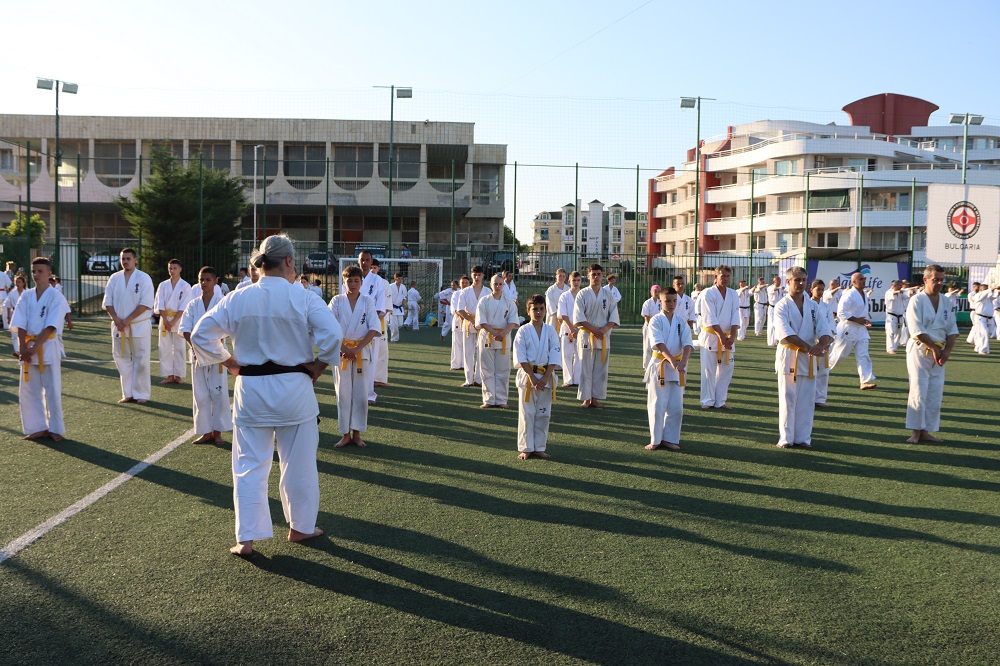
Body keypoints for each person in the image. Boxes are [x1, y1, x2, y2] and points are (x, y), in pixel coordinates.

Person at [190, 234, 342, 557]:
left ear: (261, 263)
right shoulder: (302, 297)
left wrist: (229, 362)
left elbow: (200, 334)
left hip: (252, 391)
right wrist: (318, 365)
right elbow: (333, 334)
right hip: (294, 391)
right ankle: (300, 527)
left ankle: (246, 538)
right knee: (299, 464)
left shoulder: (239, 298)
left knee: (249, 466)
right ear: (288, 261)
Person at [773, 266, 834, 449]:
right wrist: (809, 347)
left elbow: (825, 329)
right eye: (797, 280)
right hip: (790, 355)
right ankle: (786, 438)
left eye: (803, 280)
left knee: (807, 401)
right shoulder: (781, 305)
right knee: (788, 398)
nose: (800, 283)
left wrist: (821, 345)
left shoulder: (813, 305)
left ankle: (803, 438)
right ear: (788, 282)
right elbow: (785, 333)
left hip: (809, 358)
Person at [12, 257, 71, 441]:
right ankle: (37, 427)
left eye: (40, 271)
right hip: (29, 347)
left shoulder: (56, 296)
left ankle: (55, 429)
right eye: (34, 271)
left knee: (52, 389)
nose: (36, 275)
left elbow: (51, 325)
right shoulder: (26, 295)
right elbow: (20, 322)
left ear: (49, 273)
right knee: (29, 390)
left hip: (48, 347)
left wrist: (34, 348)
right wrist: (23, 348)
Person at [905, 264, 959, 444]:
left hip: (940, 351)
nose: (940, 283)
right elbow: (916, 330)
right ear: (925, 279)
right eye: (936, 280)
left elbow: (952, 329)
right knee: (919, 390)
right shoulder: (917, 300)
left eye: (942, 280)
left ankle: (926, 431)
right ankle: (915, 432)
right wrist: (935, 349)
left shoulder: (946, 301)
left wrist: (946, 351)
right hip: (920, 350)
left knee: (935, 393)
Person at [179, 266, 232, 445]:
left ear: (216, 281)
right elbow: (185, 329)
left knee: (218, 393)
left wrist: (211, 344)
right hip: (197, 355)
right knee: (200, 395)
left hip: (217, 354)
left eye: (208, 280)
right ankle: (206, 432)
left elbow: (227, 328)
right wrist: (193, 347)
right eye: (201, 279)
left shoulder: (222, 302)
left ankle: (218, 432)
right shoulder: (193, 305)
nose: (204, 283)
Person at [329, 265, 381, 448]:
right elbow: (329, 326)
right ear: (344, 282)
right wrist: (343, 347)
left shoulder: (367, 301)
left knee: (360, 394)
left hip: (361, 352)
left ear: (361, 282)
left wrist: (357, 348)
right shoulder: (336, 301)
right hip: (341, 351)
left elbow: (374, 327)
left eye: (356, 281)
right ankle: (345, 434)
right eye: (349, 280)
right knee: (343, 394)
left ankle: (357, 434)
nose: (352, 284)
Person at [103, 248, 155, 404]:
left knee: (141, 360)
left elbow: (146, 303)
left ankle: (142, 394)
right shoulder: (114, 278)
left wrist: (127, 320)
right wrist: (116, 319)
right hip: (118, 325)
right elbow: (108, 302)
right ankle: (128, 393)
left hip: (138, 325)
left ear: (135, 260)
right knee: (121, 358)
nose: (125, 261)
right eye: (123, 259)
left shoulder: (144, 278)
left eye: (128, 258)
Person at [644, 286, 692, 451]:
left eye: (674, 301)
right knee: (657, 405)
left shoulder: (681, 321)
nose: (671, 304)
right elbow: (658, 343)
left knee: (676, 407)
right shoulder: (655, 320)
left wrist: (684, 359)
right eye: (668, 301)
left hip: (678, 368)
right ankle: (656, 439)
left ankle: (669, 439)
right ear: (660, 301)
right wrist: (671, 359)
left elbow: (688, 343)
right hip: (660, 366)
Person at [513, 294, 561, 459]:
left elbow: (555, 354)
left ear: (546, 310)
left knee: (543, 413)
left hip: (546, 376)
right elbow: (521, 356)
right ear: (528, 311)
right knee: (527, 413)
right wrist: (533, 378)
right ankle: (526, 447)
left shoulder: (551, 331)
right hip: (528, 377)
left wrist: (546, 377)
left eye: (541, 309)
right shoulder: (523, 331)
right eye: (535, 309)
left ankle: (539, 446)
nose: (539, 312)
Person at [573, 264, 620, 408]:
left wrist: (604, 329)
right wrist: (594, 329)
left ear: (602, 276)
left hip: (603, 337)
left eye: (599, 274)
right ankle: (586, 399)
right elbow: (578, 317)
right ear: (588, 276)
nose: (596, 277)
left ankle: (595, 398)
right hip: (587, 336)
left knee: (600, 370)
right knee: (585, 369)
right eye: (593, 274)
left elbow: (614, 316)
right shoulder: (582, 294)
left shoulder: (608, 295)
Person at [345, 251, 386, 404]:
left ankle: (369, 394)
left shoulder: (378, 280)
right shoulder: (349, 277)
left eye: (367, 260)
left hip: (369, 327)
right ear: (358, 261)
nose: (364, 262)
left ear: (371, 261)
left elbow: (380, 307)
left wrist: (370, 325)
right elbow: (344, 301)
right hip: (350, 328)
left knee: (370, 361)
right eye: (362, 260)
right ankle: (348, 392)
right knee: (348, 361)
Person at [699, 264, 741, 410]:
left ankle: (720, 401)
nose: (726, 279)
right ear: (716, 277)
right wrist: (722, 337)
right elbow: (710, 317)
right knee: (709, 369)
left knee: (727, 369)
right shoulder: (707, 293)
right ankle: (707, 400)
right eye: (723, 276)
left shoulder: (733, 294)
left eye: (728, 276)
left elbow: (735, 315)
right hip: (711, 336)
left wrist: (732, 336)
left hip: (728, 337)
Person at [475, 273, 519, 408]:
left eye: (500, 284)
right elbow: (481, 321)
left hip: (504, 337)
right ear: (491, 285)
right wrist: (494, 333)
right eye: (495, 284)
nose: (498, 286)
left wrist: (503, 334)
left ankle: (501, 400)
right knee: (486, 369)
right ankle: (488, 399)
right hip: (487, 336)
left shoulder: (509, 302)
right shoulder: (484, 301)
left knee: (503, 370)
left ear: (503, 286)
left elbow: (513, 321)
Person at [829, 271, 877, 390]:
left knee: (863, 355)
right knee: (838, 356)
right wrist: (857, 320)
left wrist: (865, 320)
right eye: (861, 279)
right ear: (854, 282)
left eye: (864, 279)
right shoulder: (849, 294)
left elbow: (860, 311)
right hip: (848, 329)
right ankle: (820, 371)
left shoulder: (864, 294)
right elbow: (841, 312)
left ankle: (865, 381)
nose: (864, 281)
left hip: (861, 330)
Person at [153, 259, 192, 385]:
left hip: (179, 319)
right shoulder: (163, 285)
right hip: (165, 319)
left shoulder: (185, 286)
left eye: (174, 268)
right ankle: (169, 375)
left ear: (180, 269)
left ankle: (178, 375)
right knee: (165, 348)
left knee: (179, 348)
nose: (172, 270)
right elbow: (159, 303)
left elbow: (185, 305)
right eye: (170, 268)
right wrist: (165, 320)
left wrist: (174, 321)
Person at [456, 266, 487, 387]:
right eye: (475, 275)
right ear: (471, 275)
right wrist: (471, 320)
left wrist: (481, 321)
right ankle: (468, 379)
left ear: (483, 275)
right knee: (468, 352)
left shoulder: (487, 291)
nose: (477, 277)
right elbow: (460, 309)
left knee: (481, 352)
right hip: (468, 323)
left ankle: (478, 379)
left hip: (483, 324)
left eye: (479, 275)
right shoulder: (465, 291)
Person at [809, 280, 835, 409]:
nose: (820, 292)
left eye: (822, 289)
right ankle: (807, 398)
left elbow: (831, 325)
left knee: (823, 372)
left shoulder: (826, 307)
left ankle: (820, 399)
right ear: (811, 290)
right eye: (817, 289)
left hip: (825, 343)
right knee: (809, 371)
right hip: (810, 343)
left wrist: (827, 342)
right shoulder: (807, 305)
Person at [558, 271, 583, 387]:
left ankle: (577, 379)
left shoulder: (583, 295)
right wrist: (572, 328)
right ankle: (568, 380)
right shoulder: (564, 296)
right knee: (567, 354)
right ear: (569, 281)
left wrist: (579, 328)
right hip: (567, 328)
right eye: (574, 280)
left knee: (579, 354)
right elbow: (563, 315)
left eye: (578, 280)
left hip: (581, 328)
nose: (576, 282)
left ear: (581, 281)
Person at [369, 260, 392, 389]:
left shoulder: (384, 283)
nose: (372, 270)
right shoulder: (360, 282)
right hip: (363, 321)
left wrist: (375, 320)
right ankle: (364, 377)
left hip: (380, 320)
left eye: (374, 267)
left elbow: (387, 306)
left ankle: (379, 378)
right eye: (370, 267)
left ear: (378, 268)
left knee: (381, 350)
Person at [968, 282, 994, 355]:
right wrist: (992, 289)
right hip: (980, 317)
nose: (987, 290)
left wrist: (997, 291)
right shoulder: (978, 295)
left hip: (987, 318)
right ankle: (983, 349)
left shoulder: (988, 296)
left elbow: (994, 296)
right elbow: (984, 294)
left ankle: (978, 347)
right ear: (981, 289)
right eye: (985, 289)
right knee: (984, 332)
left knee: (982, 333)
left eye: (987, 288)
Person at [450, 276, 470, 371]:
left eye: (466, 283)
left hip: (469, 320)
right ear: (459, 284)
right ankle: (456, 364)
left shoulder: (471, 293)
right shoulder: (456, 294)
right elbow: (455, 308)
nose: (465, 284)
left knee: (468, 344)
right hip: (458, 320)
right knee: (457, 342)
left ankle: (466, 364)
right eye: (463, 283)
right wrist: (463, 316)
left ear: (469, 284)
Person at [640, 284, 662, 370]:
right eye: (655, 291)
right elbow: (646, 317)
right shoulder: (647, 303)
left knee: (657, 347)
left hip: (659, 326)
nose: (657, 293)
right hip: (648, 326)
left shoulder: (661, 302)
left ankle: (657, 366)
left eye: (658, 291)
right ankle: (646, 366)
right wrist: (651, 326)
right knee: (647, 347)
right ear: (651, 292)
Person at [5, 273, 28, 352]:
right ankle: (17, 350)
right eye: (16, 282)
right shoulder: (12, 293)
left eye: (19, 282)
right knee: (14, 333)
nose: (17, 284)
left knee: (25, 332)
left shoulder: (27, 292)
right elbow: (8, 305)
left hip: (25, 314)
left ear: (23, 283)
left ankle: (24, 348)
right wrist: (8, 317)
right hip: (14, 313)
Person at [884, 280, 907, 354]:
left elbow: (907, 294)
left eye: (901, 285)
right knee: (890, 332)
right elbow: (893, 294)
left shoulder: (901, 292)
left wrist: (911, 292)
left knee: (898, 333)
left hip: (900, 316)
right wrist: (898, 292)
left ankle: (894, 348)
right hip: (891, 316)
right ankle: (890, 349)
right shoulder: (888, 292)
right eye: (899, 285)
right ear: (894, 286)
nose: (901, 287)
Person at [765, 276, 785, 346]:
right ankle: (770, 342)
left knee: (778, 324)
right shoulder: (770, 288)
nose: (779, 282)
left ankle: (776, 340)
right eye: (778, 281)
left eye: (780, 281)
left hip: (779, 308)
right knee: (771, 325)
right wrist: (780, 288)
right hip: (772, 308)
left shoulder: (781, 288)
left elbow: (786, 290)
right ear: (774, 281)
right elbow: (774, 289)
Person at [388, 273, 406, 341]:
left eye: (401, 278)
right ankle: (394, 338)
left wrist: (404, 306)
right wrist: (388, 307)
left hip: (400, 307)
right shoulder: (390, 286)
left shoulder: (403, 287)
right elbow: (387, 297)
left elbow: (404, 297)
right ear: (395, 279)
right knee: (394, 325)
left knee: (400, 324)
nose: (400, 280)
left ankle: (389, 325)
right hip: (392, 307)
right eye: (399, 278)